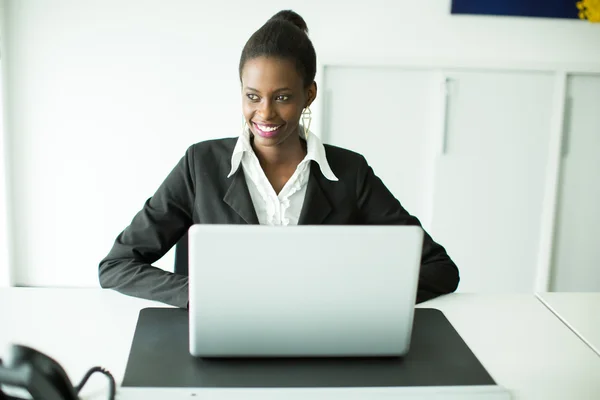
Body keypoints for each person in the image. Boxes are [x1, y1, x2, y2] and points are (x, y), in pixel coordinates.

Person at [99, 10, 459, 309]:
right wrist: (200, 295)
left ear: (309, 94)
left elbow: (438, 268)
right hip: (222, 340)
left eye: (283, 97)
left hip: (320, 342)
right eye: (252, 96)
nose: (264, 113)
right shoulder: (200, 165)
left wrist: (352, 297)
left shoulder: (350, 173)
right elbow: (117, 265)